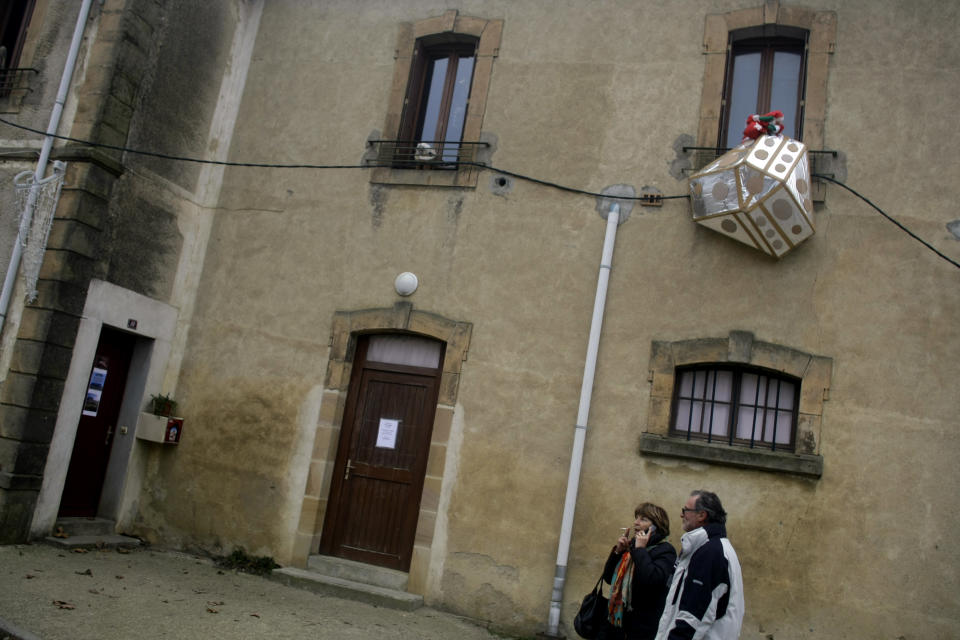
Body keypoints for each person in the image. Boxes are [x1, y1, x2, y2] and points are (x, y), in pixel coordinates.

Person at [655, 490, 744, 640]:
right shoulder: (711, 548)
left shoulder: (711, 552)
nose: (682, 515)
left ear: (702, 515)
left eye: (685, 510)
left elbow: (694, 615)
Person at [597, 502, 677, 640]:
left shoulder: (665, 551)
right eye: (636, 518)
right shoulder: (631, 548)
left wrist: (640, 550)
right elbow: (609, 578)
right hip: (617, 622)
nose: (636, 523)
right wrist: (617, 552)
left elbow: (652, 580)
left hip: (642, 626)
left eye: (643, 519)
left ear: (656, 526)